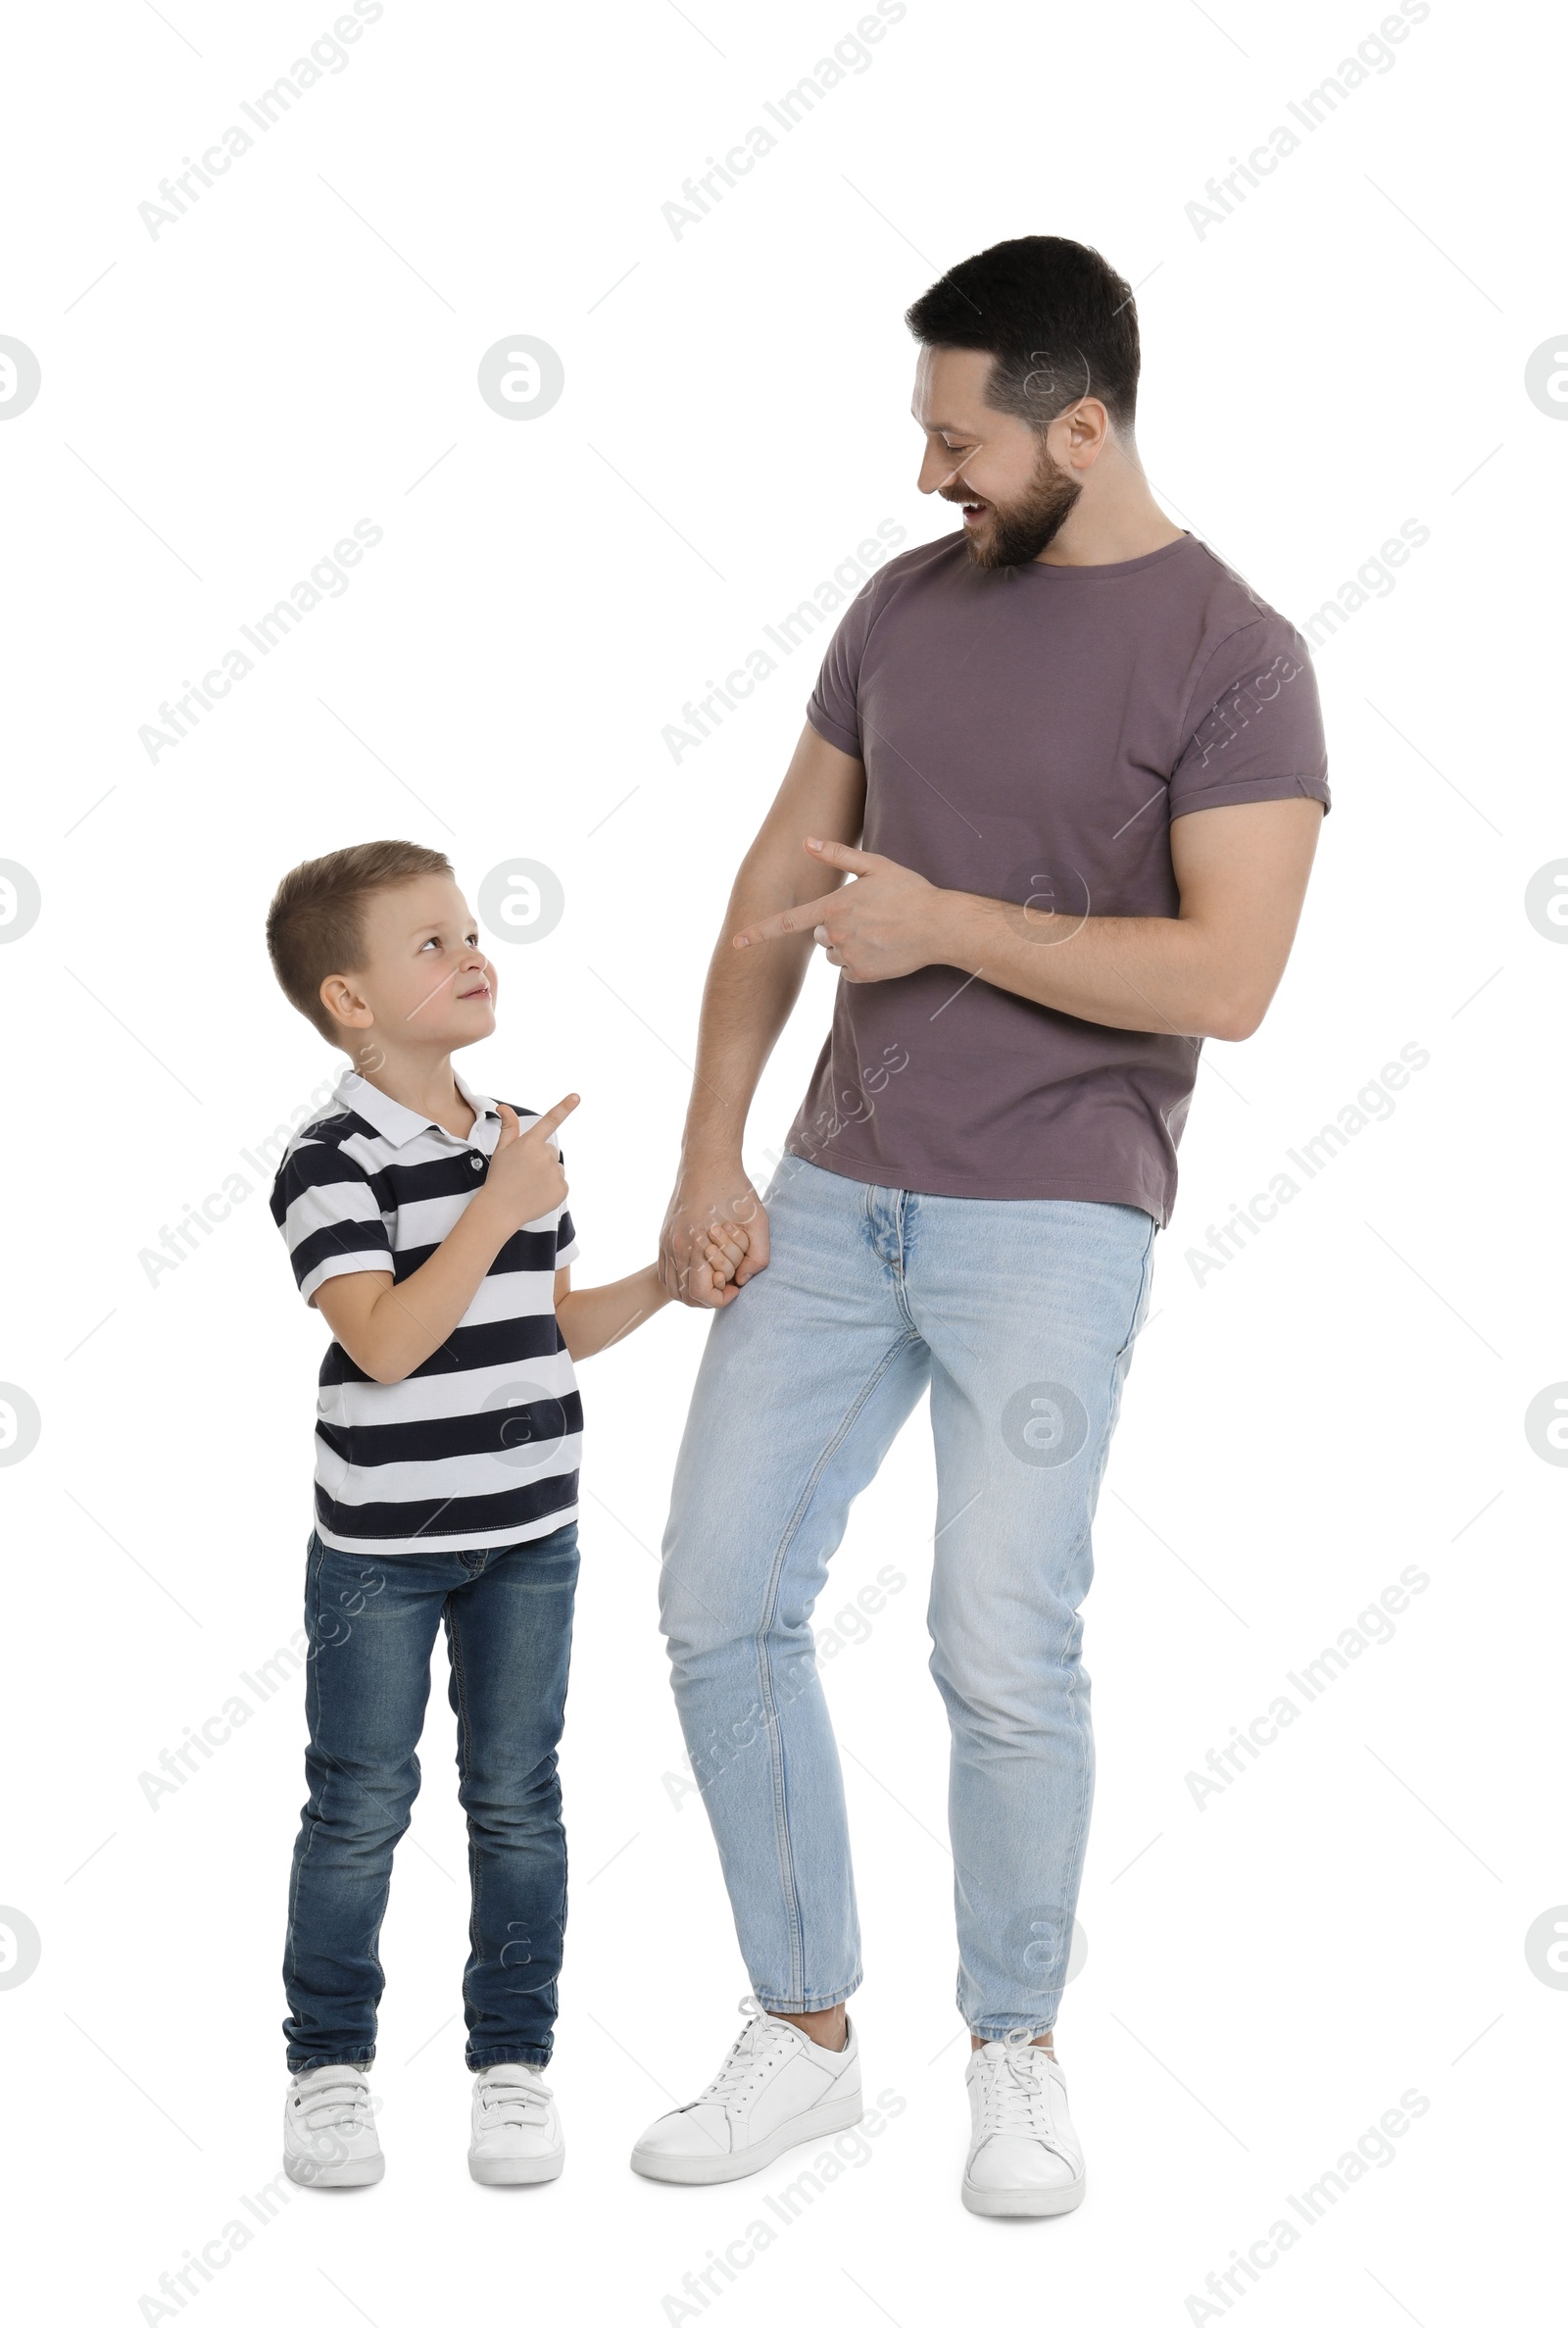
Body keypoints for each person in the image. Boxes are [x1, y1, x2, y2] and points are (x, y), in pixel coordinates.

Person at [630, 235, 1329, 2215]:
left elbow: (1226, 977)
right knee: (713, 1602)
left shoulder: (1233, 653)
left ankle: (1013, 2052)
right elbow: (769, 886)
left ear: (1079, 427)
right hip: (835, 1199)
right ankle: (801, 2033)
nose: (929, 472)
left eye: (957, 439)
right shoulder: (896, 609)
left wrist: (938, 924)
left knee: (995, 1643)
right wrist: (711, 1157)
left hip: (1053, 1217)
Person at [263, 840, 743, 2188]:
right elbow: (390, 1344)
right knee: (359, 1802)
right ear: (349, 1000)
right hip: (381, 1555)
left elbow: (546, 1322)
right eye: (429, 943)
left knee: (517, 1798)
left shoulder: (516, 1138)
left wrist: (662, 1282)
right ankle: (330, 2070)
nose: (474, 953)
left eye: (471, 931)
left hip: (532, 1535)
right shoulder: (330, 1157)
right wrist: (496, 1204)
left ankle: (511, 2063)